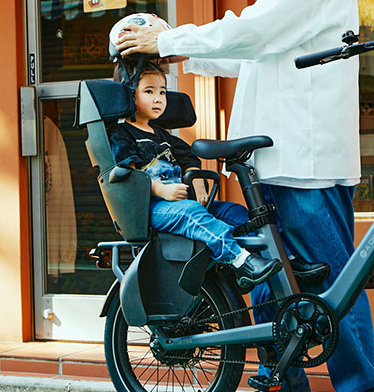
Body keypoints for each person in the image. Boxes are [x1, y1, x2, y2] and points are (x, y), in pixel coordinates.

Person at [116, 0, 374, 392]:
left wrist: (170, 43)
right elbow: (258, 55)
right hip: (280, 154)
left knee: (330, 277)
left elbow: (255, 33)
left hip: (303, 154)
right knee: (270, 277)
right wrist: (177, 48)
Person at [108, 61, 281, 289]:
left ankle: (279, 262)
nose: (159, 98)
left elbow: (189, 157)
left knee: (235, 212)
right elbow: (127, 174)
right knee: (191, 213)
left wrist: (197, 183)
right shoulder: (121, 135)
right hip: (151, 208)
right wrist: (161, 190)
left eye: (162, 91)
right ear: (129, 95)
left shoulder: (162, 134)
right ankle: (240, 260)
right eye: (149, 91)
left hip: (181, 203)